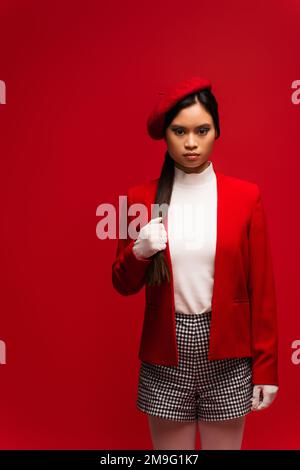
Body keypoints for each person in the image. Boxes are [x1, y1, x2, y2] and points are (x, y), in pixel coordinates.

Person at [112, 76, 279, 450]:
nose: (190, 143)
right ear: (166, 135)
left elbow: (262, 288)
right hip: (165, 356)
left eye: (202, 130)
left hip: (229, 354)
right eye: (179, 131)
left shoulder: (245, 196)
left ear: (216, 130)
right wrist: (139, 251)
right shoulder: (140, 197)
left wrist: (267, 368)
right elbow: (122, 283)